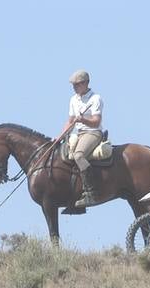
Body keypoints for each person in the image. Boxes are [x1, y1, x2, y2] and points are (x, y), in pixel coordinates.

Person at [58, 70, 104, 208]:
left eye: (77, 84)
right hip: (77, 134)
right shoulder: (73, 99)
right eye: (73, 85)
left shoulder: (95, 99)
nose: (74, 87)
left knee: (78, 155)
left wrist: (83, 120)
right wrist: (60, 136)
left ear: (86, 83)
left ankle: (91, 192)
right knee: (63, 154)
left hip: (92, 133)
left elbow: (96, 122)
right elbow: (70, 121)